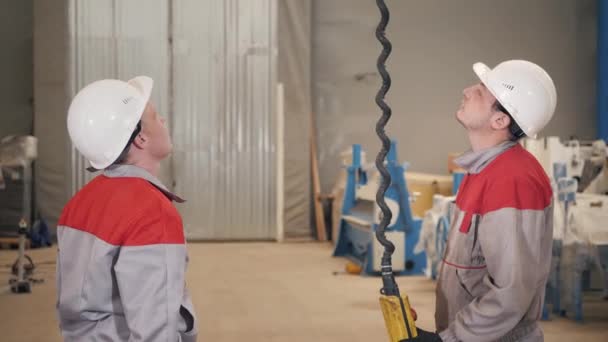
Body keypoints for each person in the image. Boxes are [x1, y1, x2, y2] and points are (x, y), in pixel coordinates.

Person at [418, 60, 557, 342]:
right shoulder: (482, 170)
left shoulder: (512, 178)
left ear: (500, 120)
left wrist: (448, 340)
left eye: (481, 91)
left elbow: (511, 292)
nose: (468, 90)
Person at [56, 76, 198, 341]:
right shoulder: (152, 212)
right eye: (156, 117)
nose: (163, 122)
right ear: (141, 139)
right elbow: (155, 332)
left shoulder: (79, 203)